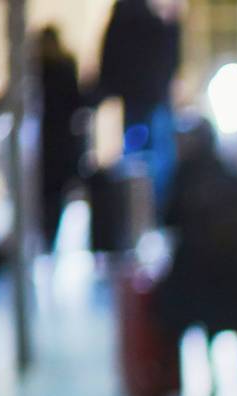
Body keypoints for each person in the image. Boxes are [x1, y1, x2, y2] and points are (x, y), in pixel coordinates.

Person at [154, 120, 237, 395]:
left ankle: (205, 389)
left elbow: (167, 218)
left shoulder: (185, 178)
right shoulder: (231, 175)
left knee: (195, 328)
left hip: (200, 278)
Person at [94, 0, 181, 208]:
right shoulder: (150, 23)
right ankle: (149, 210)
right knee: (150, 160)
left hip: (139, 100)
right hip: (148, 99)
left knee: (139, 159)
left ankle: (141, 211)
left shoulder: (129, 19)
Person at [35, 25, 85, 254]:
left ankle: (44, 242)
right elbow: (76, 105)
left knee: (44, 197)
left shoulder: (37, 68)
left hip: (43, 144)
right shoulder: (62, 67)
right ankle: (49, 243)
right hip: (60, 144)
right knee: (55, 199)